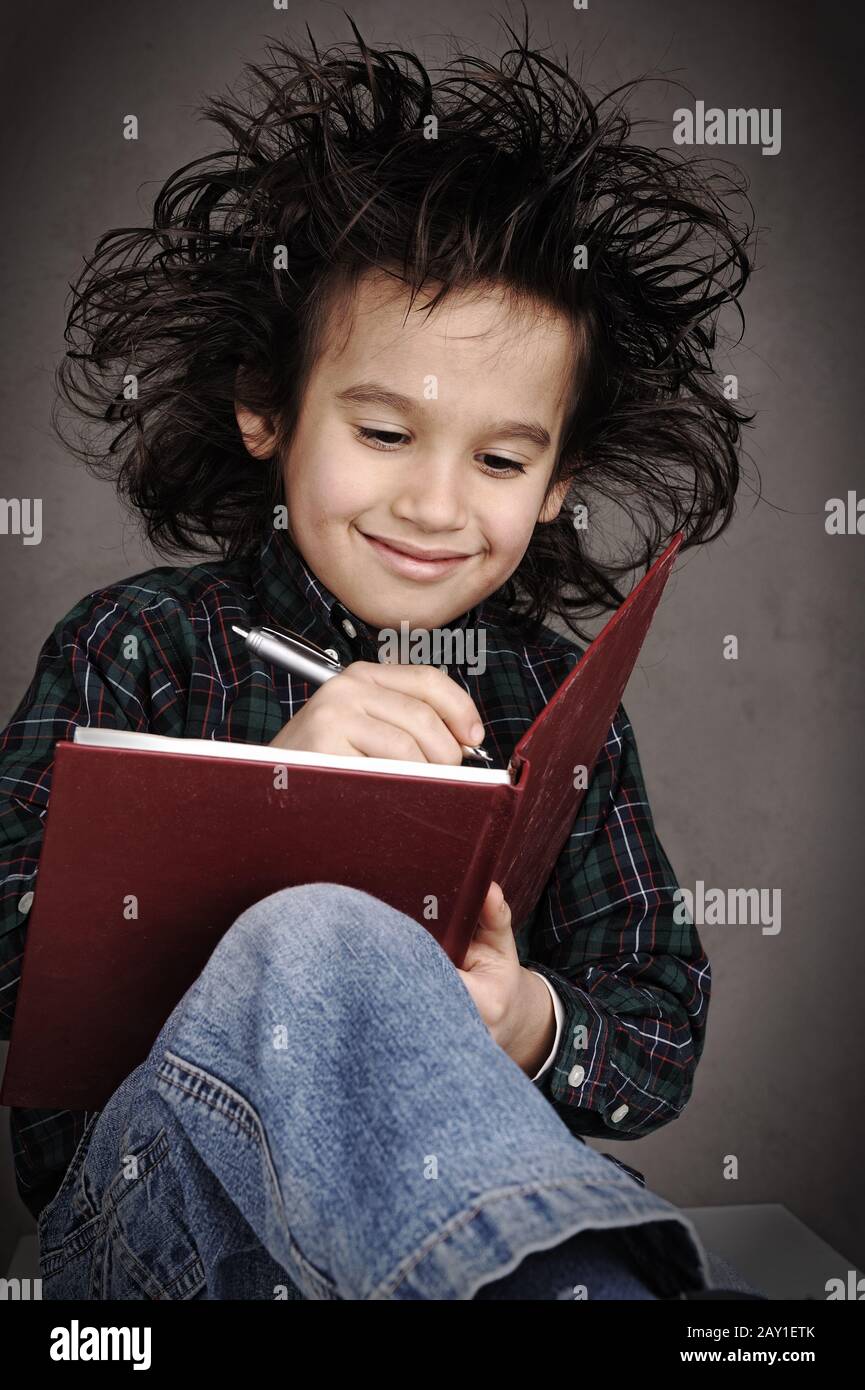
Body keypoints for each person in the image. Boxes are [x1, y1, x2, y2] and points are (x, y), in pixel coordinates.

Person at [0, 17, 765, 1299]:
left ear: (557, 481)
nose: (434, 503)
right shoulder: (135, 645)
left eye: (502, 459)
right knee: (322, 932)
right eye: (383, 429)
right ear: (267, 409)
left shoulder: (551, 705)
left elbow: (659, 1026)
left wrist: (530, 1024)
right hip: (163, 1235)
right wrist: (263, 808)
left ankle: (577, 1282)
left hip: (450, 1221)